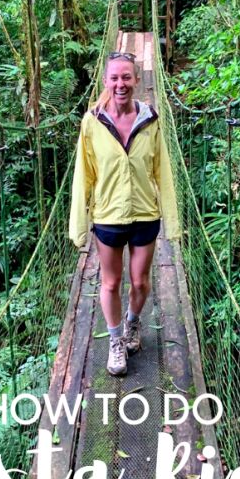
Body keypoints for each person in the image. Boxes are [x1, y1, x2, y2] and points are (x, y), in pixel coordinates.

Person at [69, 51, 180, 376]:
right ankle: (116, 340)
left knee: (141, 282)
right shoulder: (92, 122)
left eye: (127, 77)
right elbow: (83, 175)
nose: (121, 83)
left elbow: (164, 171)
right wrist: (79, 225)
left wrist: (172, 221)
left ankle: (132, 323)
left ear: (137, 81)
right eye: (115, 77)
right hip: (108, 216)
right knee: (111, 281)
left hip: (146, 212)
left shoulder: (151, 120)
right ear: (106, 81)